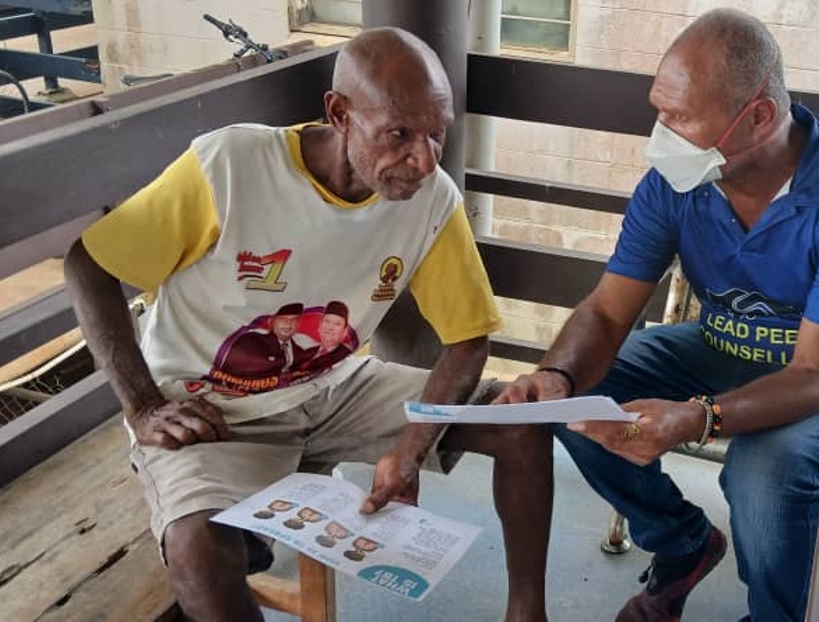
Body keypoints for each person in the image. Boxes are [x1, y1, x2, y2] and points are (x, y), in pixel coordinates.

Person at [64, 28, 552, 622]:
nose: (423, 159)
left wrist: (411, 447)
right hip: (213, 406)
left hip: (336, 385)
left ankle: (528, 613)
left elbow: (468, 340)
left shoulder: (431, 198)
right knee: (195, 549)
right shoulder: (231, 166)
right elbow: (90, 265)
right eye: (399, 134)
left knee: (521, 424)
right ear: (339, 113)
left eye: (437, 133)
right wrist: (142, 405)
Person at [494, 8, 819, 622]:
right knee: (581, 399)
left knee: (762, 473)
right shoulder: (675, 183)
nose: (659, 134)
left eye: (680, 117)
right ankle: (682, 544)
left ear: (760, 117)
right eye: (658, 110)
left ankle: (781, 614)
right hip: (725, 348)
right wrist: (557, 377)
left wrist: (698, 418)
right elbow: (609, 313)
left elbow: (816, 376)